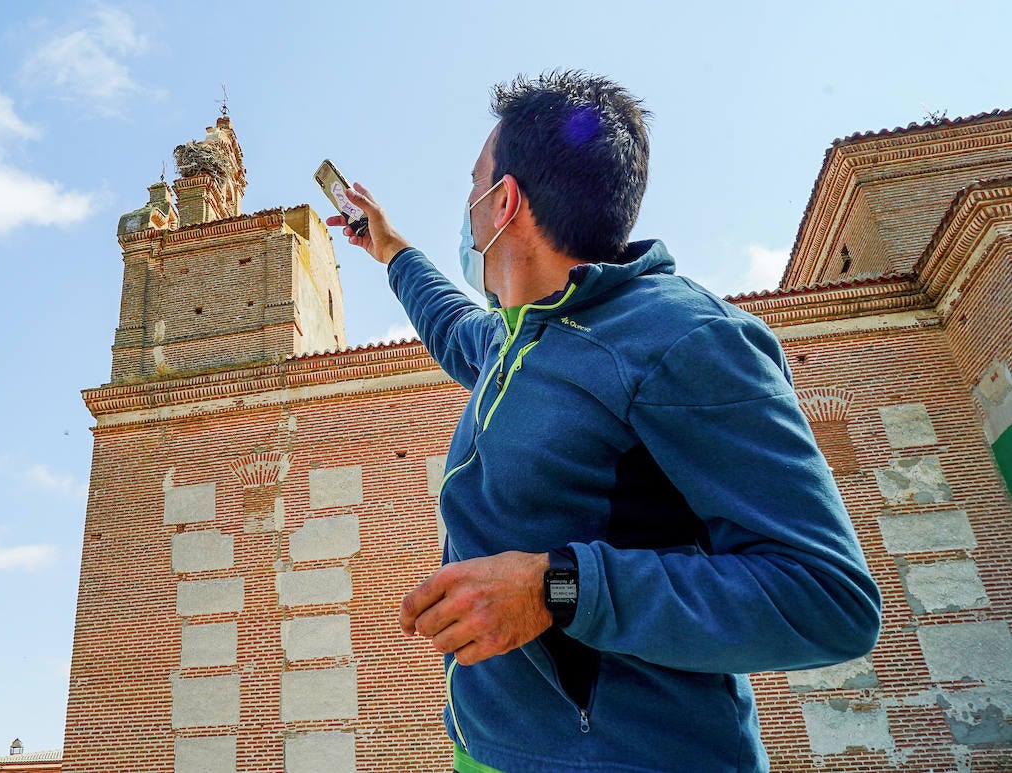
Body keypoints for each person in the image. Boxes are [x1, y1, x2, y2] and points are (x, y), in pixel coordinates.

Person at [325, 71, 882, 773]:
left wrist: (556, 587)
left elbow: (829, 598)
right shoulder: (519, 338)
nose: (465, 206)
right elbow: (453, 325)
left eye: (473, 185)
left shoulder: (687, 341)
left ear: (505, 203)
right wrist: (390, 249)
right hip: (493, 749)